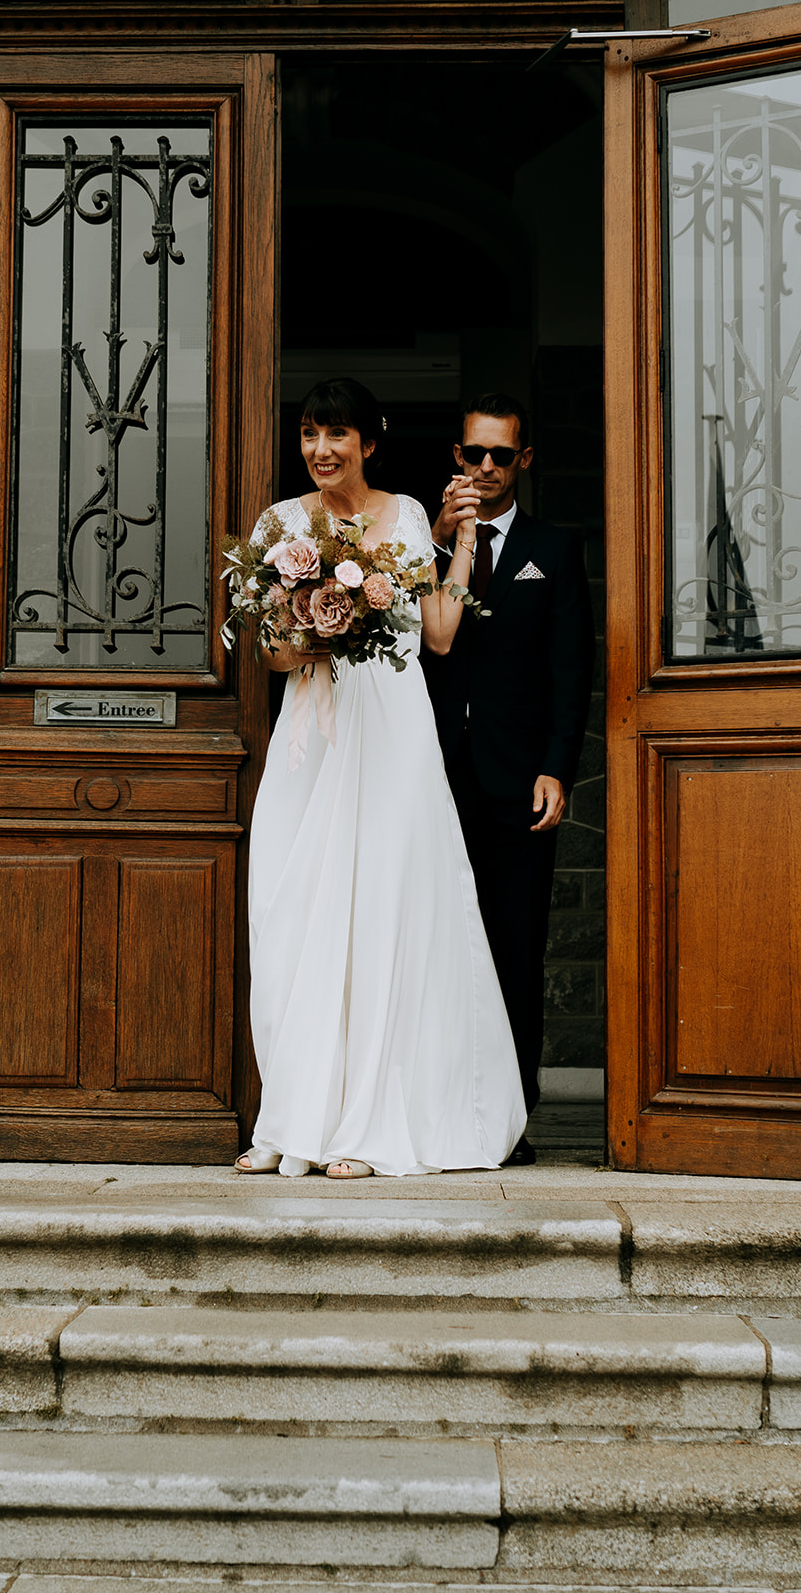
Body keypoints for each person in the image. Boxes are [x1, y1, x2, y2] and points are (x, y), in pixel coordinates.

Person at [236, 377, 526, 1179]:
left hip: (392, 735)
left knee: (389, 916)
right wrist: (316, 631)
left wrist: (458, 541)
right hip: (314, 740)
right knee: (293, 915)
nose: (320, 450)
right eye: (307, 433)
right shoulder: (278, 525)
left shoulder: (403, 516)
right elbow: (269, 652)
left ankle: (367, 1125)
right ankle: (293, 1118)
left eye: (336, 435)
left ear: (369, 440)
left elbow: (436, 634)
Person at [420, 394, 596, 1166]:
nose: (484, 468)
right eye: (472, 455)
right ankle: (430, 1111)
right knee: (428, 945)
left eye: (500, 455)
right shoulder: (413, 546)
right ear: (455, 458)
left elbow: (570, 670)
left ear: (523, 461)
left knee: (514, 946)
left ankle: (510, 1121)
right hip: (421, 774)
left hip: (515, 777)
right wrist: (434, 542)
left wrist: (558, 766)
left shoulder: (553, 550)